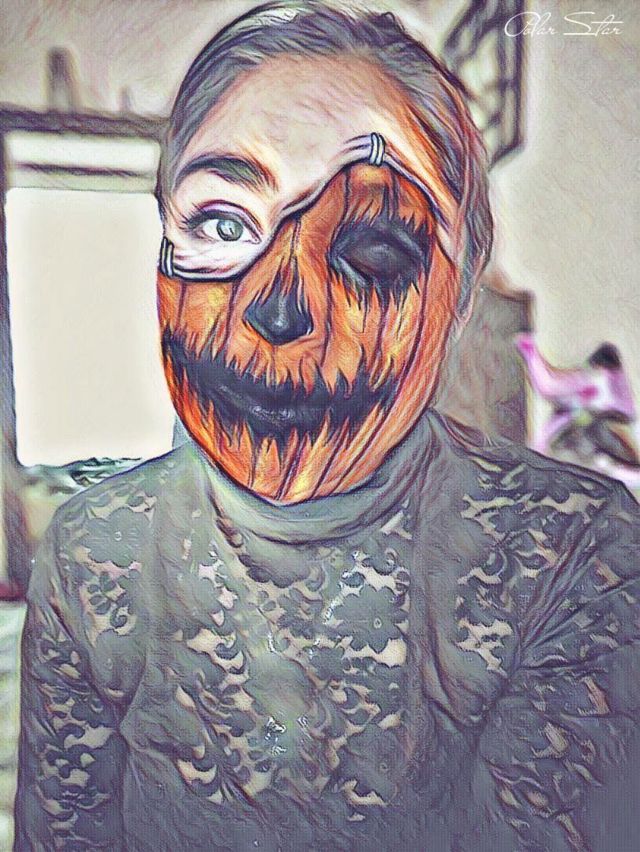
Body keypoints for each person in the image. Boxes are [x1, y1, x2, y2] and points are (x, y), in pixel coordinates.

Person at [13, 3, 640, 850]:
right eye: (223, 222)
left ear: (457, 304)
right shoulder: (92, 552)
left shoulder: (575, 551)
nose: (278, 308)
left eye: (376, 250)